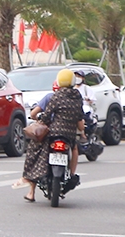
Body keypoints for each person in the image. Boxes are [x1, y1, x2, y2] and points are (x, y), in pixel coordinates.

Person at [19, 69, 85, 202]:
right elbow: (80, 118)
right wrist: (81, 130)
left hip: (53, 133)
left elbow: (47, 114)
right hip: (69, 135)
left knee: (34, 151)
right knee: (75, 148)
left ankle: (31, 186)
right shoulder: (77, 96)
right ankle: (72, 174)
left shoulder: (56, 96)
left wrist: (41, 121)